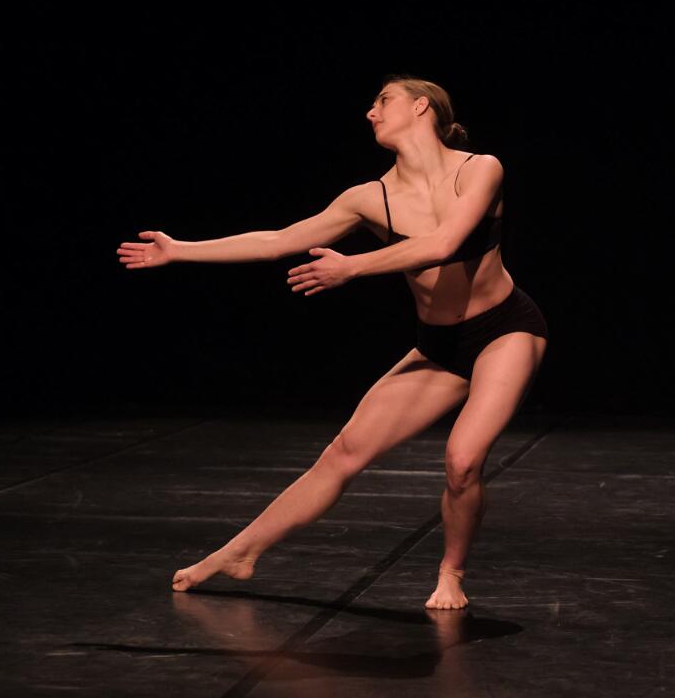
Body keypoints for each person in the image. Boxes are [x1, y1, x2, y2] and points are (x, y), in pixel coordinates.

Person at [116, 74, 549, 610]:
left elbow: (444, 242)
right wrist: (180, 250)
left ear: (421, 106)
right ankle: (239, 553)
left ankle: (451, 572)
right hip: (439, 345)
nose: (371, 112)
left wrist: (352, 267)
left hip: (504, 330)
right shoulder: (369, 197)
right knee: (343, 452)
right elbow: (280, 240)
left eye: (382, 101)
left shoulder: (480, 168)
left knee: (462, 460)